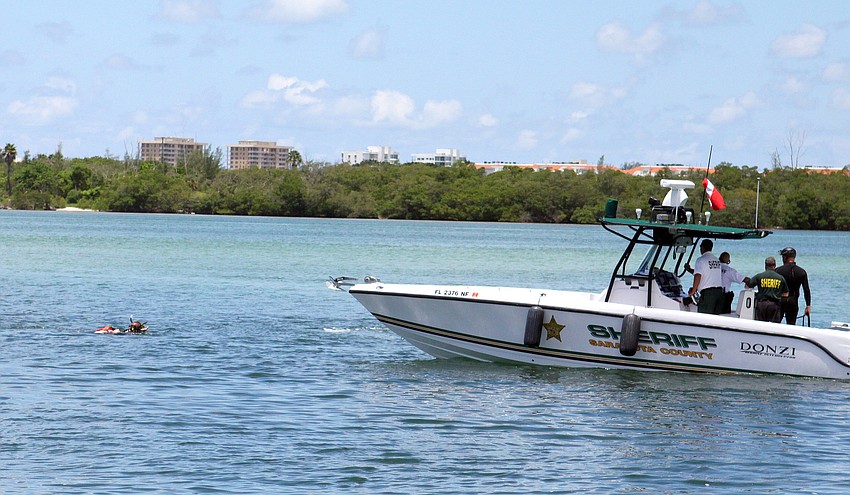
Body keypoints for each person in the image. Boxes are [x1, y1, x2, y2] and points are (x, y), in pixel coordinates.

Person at [686, 239, 724, 314]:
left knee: (705, 318)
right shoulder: (716, 260)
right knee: (715, 318)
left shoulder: (701, 260)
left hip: (708, 295)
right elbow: (706, 273)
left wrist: (693, 291)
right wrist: (689, 270)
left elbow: (698, 276)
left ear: (702, 247)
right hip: (719, 292)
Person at [775, 247, 811, 325]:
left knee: (775, 325)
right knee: (791, 326)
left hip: (780, 301)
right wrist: (808, 306)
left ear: (785, 257)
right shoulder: (801, 272)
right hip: (793, 302)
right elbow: (806, 290)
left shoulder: (778, 271)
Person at [746, 256, 788, 323]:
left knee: (761, 326)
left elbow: (747, 286)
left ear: (765, 265)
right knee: (774, 327)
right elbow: (786, 294)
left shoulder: (759, 276)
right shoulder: (780, 278)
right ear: (775, 265)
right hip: (774, 305)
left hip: (762, 305)